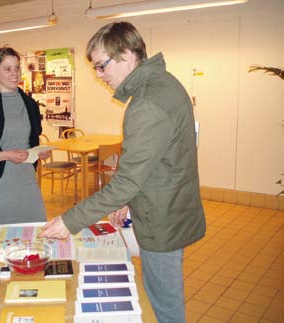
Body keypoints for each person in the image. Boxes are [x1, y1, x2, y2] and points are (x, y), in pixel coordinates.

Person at [39, 22, 206, 322]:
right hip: (169, 207)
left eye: (102, 66)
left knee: (165, 308)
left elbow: (128, 180)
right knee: (160, 297)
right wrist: (125, 201)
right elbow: (153, 162)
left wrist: (69, 220)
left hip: (163, 221)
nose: (100, 76)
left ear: (127, 56)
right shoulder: (163, 83)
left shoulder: (147, 104)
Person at [0, 46, 49, 225]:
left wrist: (38, 152)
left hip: (27, 179)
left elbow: (31, 141)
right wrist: (7, 155)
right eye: (7, 69)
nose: (14, 74)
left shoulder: (29, 103)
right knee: (3, 240)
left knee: (35, 229)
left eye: (16, 68)